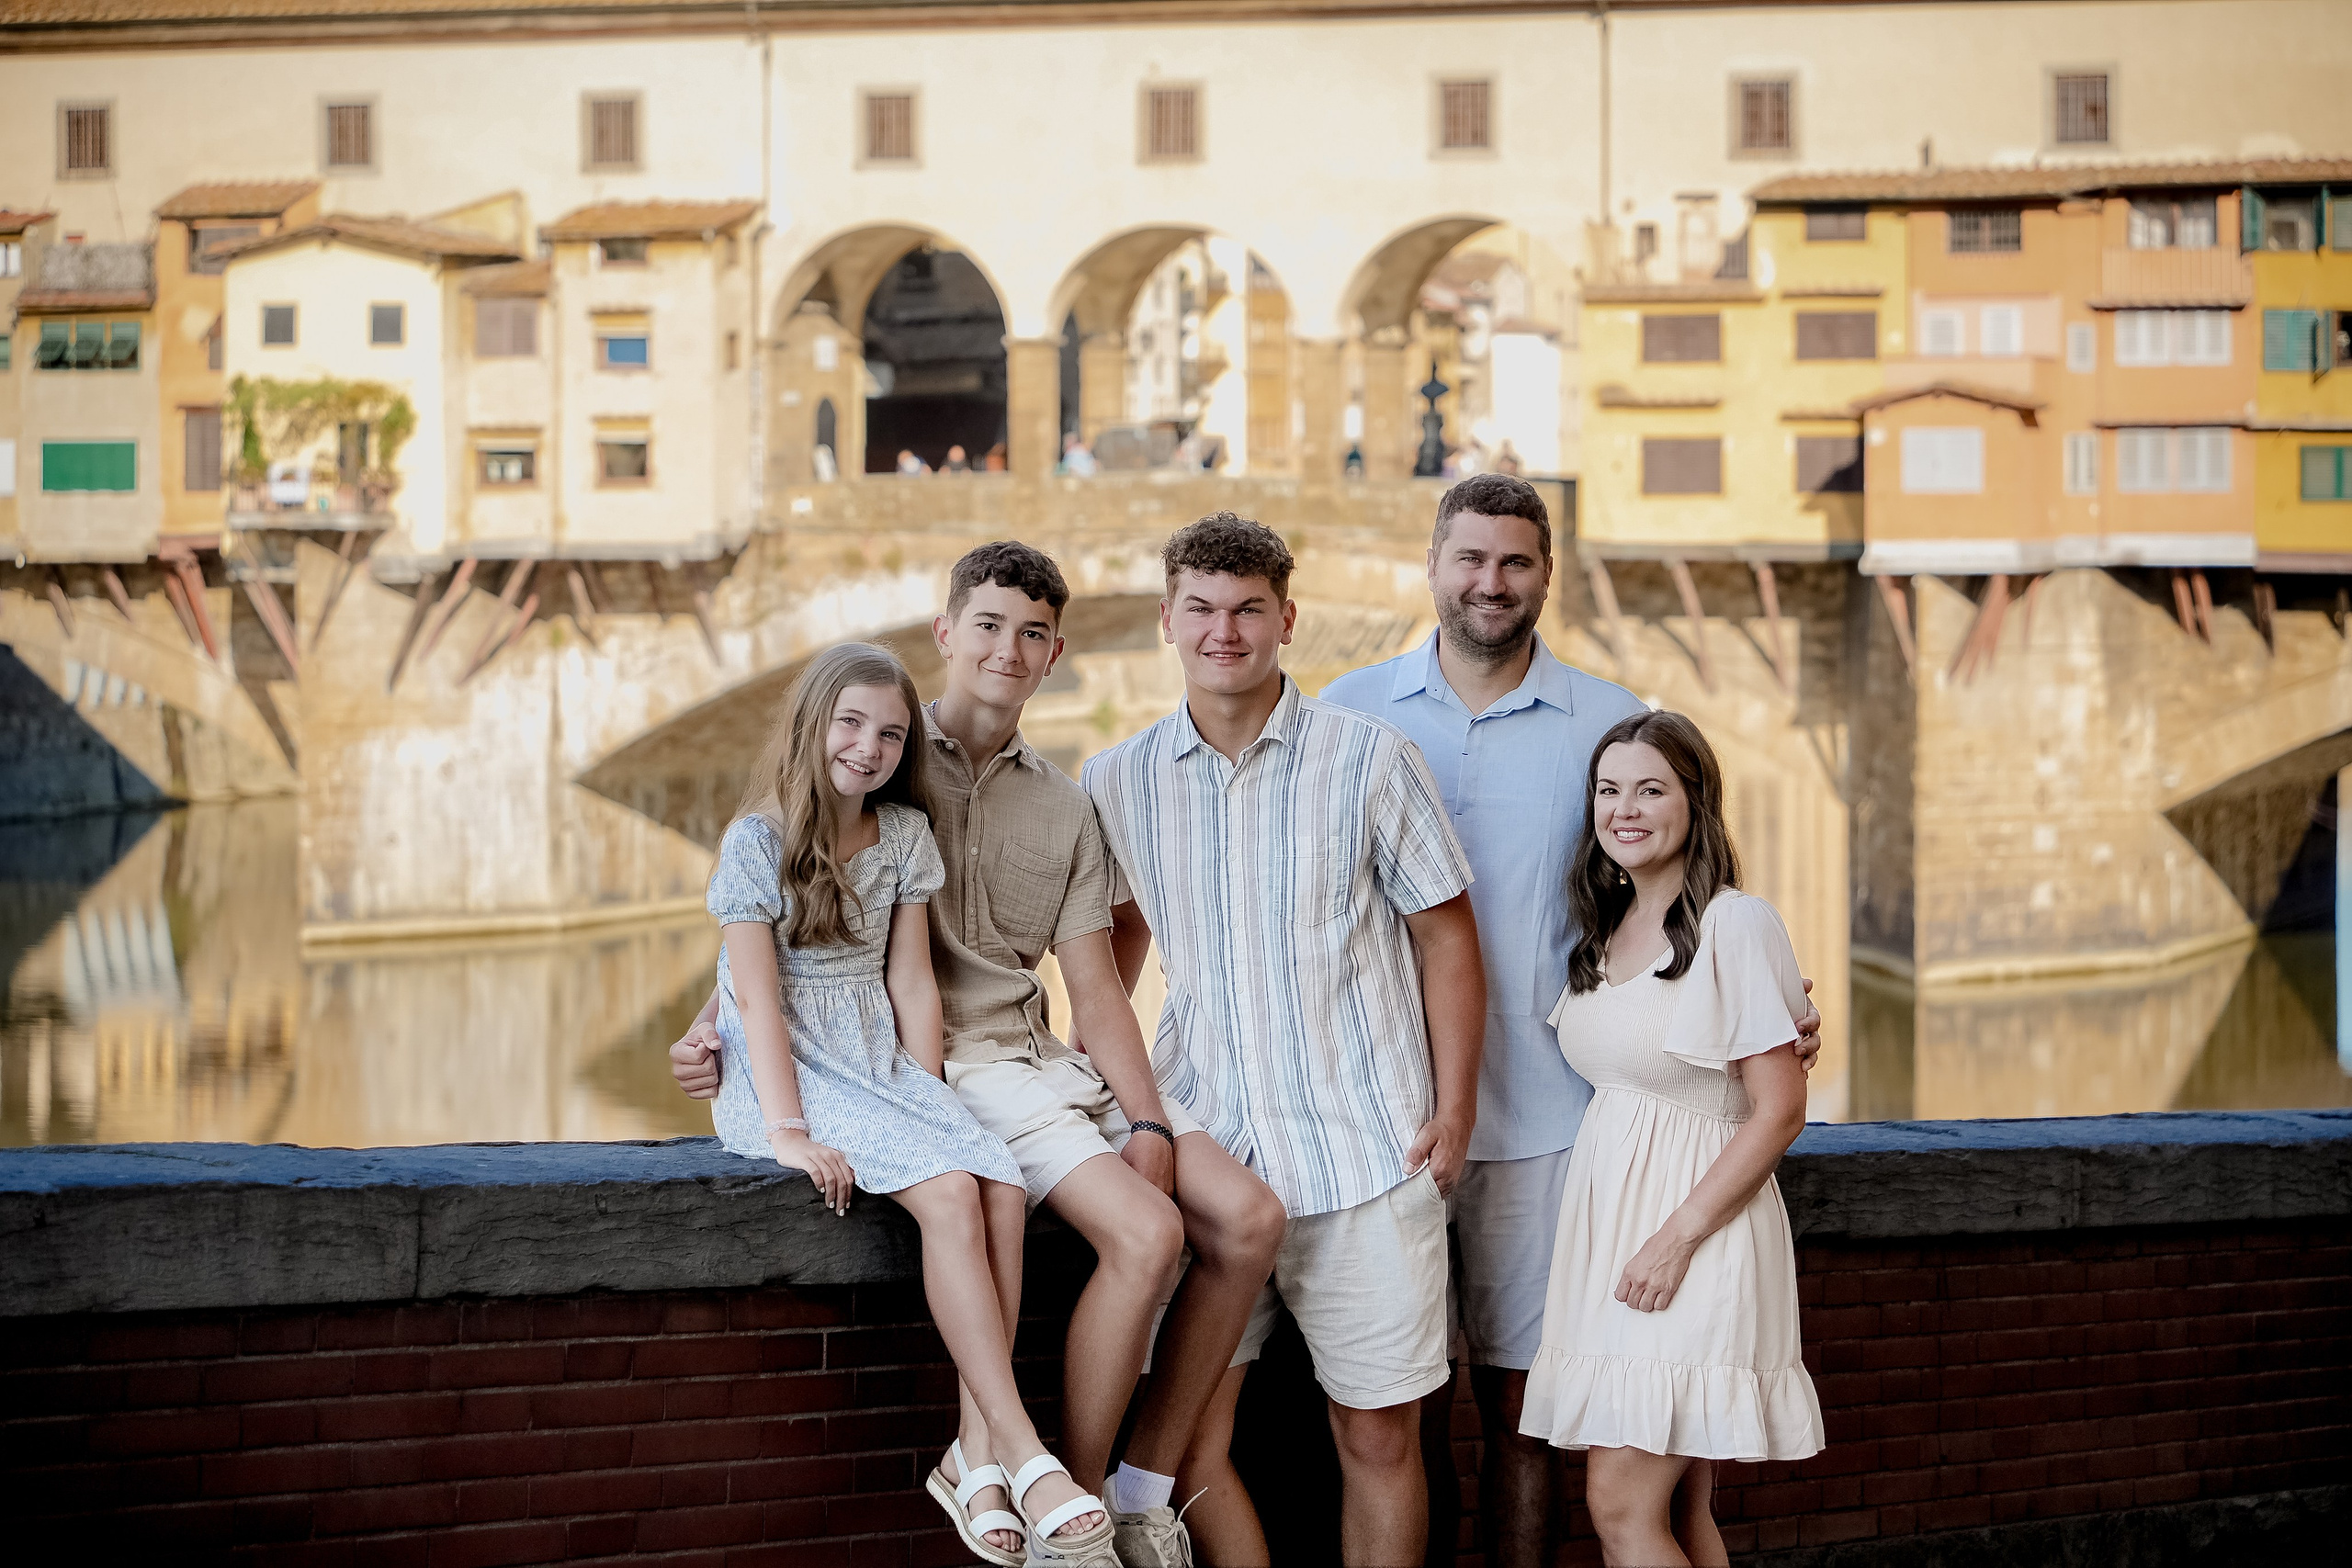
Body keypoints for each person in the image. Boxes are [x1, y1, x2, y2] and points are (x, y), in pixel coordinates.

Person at [675, 544, 1286, 1567]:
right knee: (1146, 1238)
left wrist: (1143, 1122)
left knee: (1251, 1217)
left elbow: (1095, 989)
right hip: (944, 1068)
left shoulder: (1063, 802)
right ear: (945, 635)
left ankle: (1135, 1483)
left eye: (1034, 633)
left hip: (1044, 1059)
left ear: (1055, 656)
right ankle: (1072, 1506)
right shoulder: (894, 776)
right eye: (990, 626)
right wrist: (714, 1024)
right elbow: (790, 914)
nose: (1010, 650)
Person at [1320, 472, 1819, 1568]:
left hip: (1559, 1131)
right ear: (1433, 564)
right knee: (1390, 1410)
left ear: (1547, 574)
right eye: (1469, 558)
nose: (1489, 583)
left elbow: (1689, 903)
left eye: (1514, 562)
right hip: (1374, 1120)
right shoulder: (1345, 711)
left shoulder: (1606, 721)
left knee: (1527, 1416)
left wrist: (1772, 1015)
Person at [1084, 513, 1488, 1568]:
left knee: (1377, 1435)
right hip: (1204, 1150)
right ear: (1168, 620)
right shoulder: (1116, 781)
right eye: (1202, 610)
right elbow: (1112, 956)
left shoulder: (1371, 762)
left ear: (1286, 620)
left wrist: (1454, 1109)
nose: (1225, 632)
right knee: (1197, 1441)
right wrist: (1106, 1100)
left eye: (1248, 610)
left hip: (1366, 1149)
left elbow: (1446, 940)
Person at [700, 640, 1116, 1566]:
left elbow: (914, 987)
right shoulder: (757, 841)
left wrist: (932, 1103)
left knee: (999, 1181)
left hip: (880, 1064)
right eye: (850, 724)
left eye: (890, 733)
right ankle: (1018, 1449)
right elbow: (755, 997)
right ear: (812, 726)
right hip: (789, 1075)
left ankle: (972, 1461)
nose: (869, 746)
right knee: (950, 1194)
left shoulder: (901, 839)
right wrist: (787, 1132)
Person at [1521, 709, 1825, 1567]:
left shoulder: (1735, 921)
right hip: (1617, 1241)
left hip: (1693, 1235)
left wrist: (1675, 1239)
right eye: (1608, 790)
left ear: (1696, 802)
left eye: (1651, 789)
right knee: (1681, 1508)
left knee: (1619, 1501)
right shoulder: (1606, 928)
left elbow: (1779, 1109)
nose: (1625, 808)